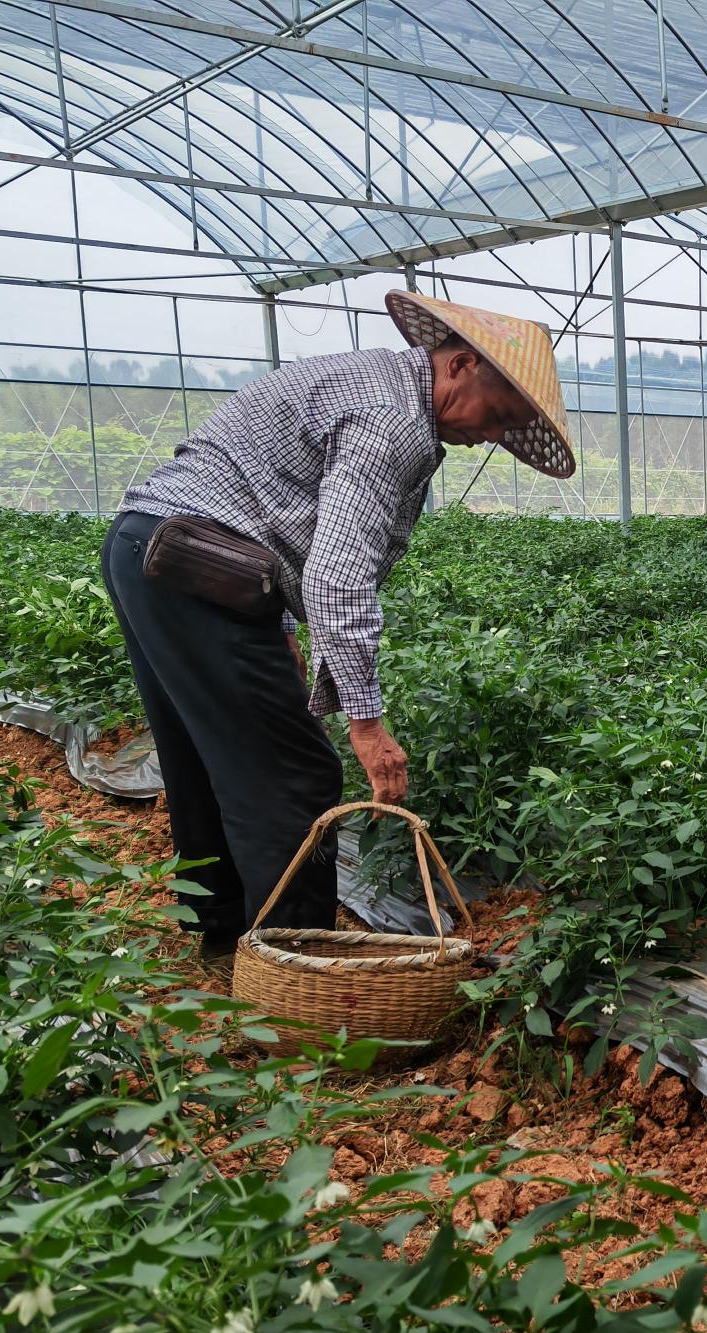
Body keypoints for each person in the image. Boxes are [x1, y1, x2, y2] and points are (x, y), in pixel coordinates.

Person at [100, 290, 574, 978]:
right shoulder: (394, 421)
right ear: (462, 365)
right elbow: (338, 572)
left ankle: (220, 942)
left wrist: (273, 619)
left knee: (203, 759)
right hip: (197, 563)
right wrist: (368, 723)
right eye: (497, 416)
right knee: (297, 776)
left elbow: (280, 508)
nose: (492, 436)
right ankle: (291, 973)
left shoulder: (375, 382)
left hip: (154, 551)